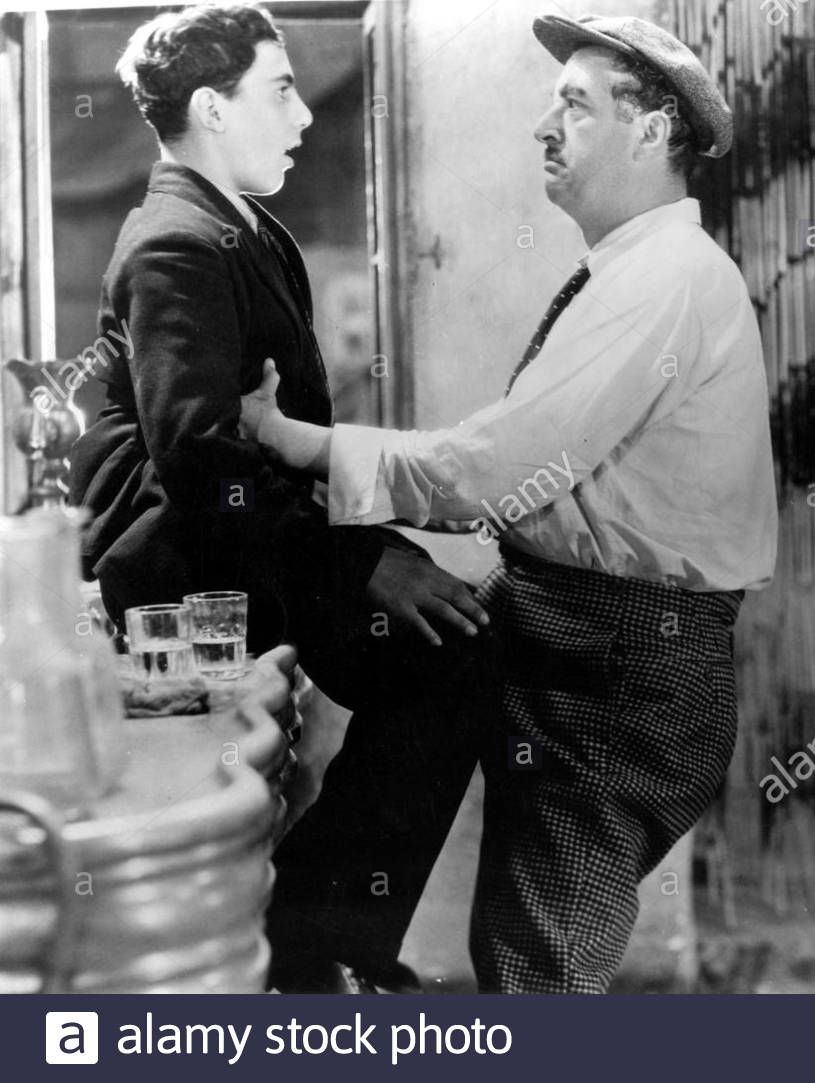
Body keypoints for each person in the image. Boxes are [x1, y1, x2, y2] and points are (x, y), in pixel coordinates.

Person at [242, 13, 778, 993]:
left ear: (653, 130)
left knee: (542, 970)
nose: (544, 126)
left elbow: (498, 468)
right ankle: (321, 955)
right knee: (525, 954)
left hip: (617, 661)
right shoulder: (638, 271)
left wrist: (295, 443)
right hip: (590, 638)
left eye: (575, 105)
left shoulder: (665, 281)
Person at [67, 2, 490, 993]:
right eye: (282, 90)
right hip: (186, 561)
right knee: (451, 660)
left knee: (452, 653)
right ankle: (312, 944)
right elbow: (200, 463)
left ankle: (318, 939)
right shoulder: (178, 244)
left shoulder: (237, 227)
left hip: (253, 536)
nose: (303, 116)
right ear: (213, 109)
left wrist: (378, 538)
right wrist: (363, 558)